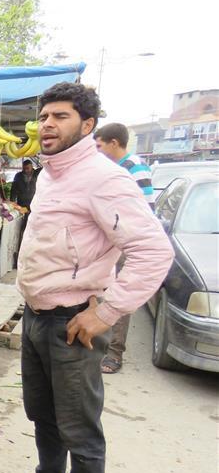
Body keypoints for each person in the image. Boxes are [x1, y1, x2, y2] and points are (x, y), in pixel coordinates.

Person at [1, 82, 172, 473]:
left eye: (60, 117)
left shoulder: (103, 178)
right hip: (37, 316)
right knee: (43, 413)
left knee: (80, 428)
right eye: (45, 117)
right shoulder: (54, 175)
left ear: (88, 125)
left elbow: (153, 252)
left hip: (72, 322)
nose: (48, 125)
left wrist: (107, 311)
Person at [93, 123, 157, 374]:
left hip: (123, 244)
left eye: (100, 146)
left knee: (117, 298)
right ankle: (99, 345)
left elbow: (145, 212)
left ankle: (114, 353)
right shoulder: (108, 169)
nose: (97, 151)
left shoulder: (135, 168)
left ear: (114, 143)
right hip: (106, 244)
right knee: (100, 294)